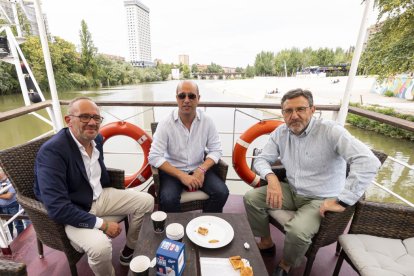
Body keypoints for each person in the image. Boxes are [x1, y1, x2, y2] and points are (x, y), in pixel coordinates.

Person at [243, 88, 381, 276]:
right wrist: (271, 177)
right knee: (251, 198)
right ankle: (267, 242)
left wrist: (343, 200)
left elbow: (368, 161)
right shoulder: (280, 132)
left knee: (298, 232)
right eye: (288, 111)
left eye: (300, 109)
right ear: (282, 113)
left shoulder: (331, 131)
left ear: (312, 109)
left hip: (320, 198)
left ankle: (286, 264)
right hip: (292, 190)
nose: (294, 116)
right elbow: (261, 159)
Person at [34, 97, 154, 276]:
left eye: (96, 118)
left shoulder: (96, 139)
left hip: (98, 197)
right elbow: (57, 207)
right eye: (84, 117)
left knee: (147, 201)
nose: (92, 122)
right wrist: (103, 225)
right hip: (73, 210)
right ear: (69, 121)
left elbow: (97, 173)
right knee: (100, 248)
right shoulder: (53, 151)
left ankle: (128, 251)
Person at [149, 80, 229, 212]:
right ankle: (177, 230)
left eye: (191, 96)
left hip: (198, 167)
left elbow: (216, 150)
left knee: (222, 193)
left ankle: (206, 224)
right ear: (177, 99)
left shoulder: (207, 121)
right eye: (182, 96)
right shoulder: (165, 123)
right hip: (173, 172)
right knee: (168, 199)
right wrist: (182, 176)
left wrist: (202, 169)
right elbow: (154, 156)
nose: (186, 100)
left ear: (198, 98)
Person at [0, 166, 24, 238]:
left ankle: (21, 237)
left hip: (13, 205)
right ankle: (11, 240)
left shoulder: (11, 181)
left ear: (4, 173)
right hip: (2, 208)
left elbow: (8, 196)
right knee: (8, 225)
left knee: (18, 224)